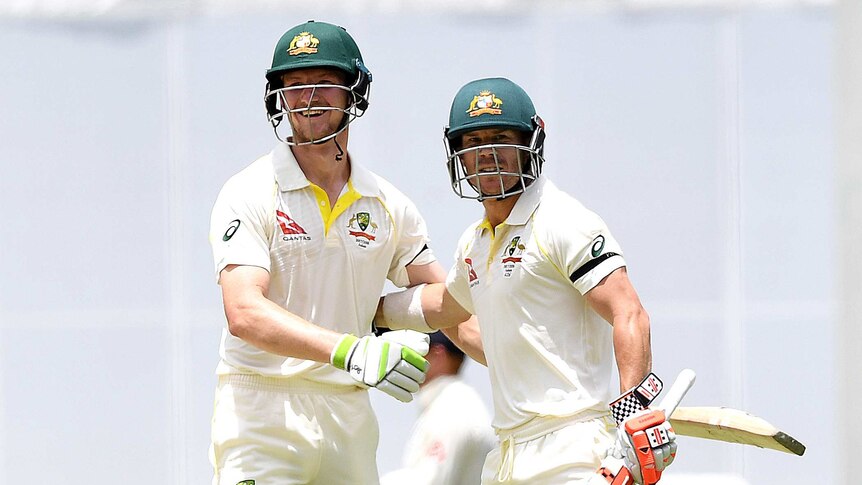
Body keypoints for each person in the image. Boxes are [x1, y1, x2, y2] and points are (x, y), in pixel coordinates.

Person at [375, 77, 679, 484]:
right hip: (507, 457)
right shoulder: (475, 243)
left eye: (500, 138)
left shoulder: (563, 221)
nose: (486, 154)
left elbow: (630, 313)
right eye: (474, 142)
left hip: (573, 451)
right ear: (458, 155)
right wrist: (367, 310)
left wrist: (634, 418)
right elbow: (445, 308)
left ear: (531, 142)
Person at [207, 20, 450, 485]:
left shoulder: (387, 204)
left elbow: (445, 296)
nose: (306, 97)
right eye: (293, 86)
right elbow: (244, 311)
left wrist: (385, 317)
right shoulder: (250, 191)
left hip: (348, 414)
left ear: (352, 92)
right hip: (262, 410)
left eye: (322, 83)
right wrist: (352, 348)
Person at [381, 331, 496, 485]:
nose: (404, 359)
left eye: (416, 352)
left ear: (438, 354)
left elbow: (426, 481)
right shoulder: (455, 402)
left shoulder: (453, 409)